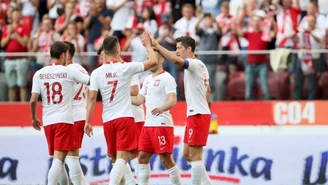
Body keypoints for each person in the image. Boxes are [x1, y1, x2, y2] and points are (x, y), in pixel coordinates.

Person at [84, 33, 158, 185]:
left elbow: (91, 98)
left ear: (104, 51)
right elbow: (153, 61)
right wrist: (148, 45)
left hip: (108, 119)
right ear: (118, 49)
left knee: (114, 157)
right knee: (122, 157)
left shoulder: (96, 73)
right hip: (124, 118)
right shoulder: (126, 68)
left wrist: (87, 121)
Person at [147, 32, 212, 185]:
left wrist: (156, 45)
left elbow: (175, 60)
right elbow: (208, 90)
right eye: (176, 48)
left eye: (179, 48)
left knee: (195, 156)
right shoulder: (200, 67)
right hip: (196, 113)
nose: (177, 51)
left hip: (198, 114)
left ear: (189, 49)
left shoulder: (195, 64)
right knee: (188, 155)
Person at [29, 41, 89, 185]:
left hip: (47, 120)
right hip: (65, 119)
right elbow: (91, 81)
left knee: (60, 160)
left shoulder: (39, 73)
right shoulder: (68, 71)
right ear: (63, 54)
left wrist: (33, 118)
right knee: (60, 160)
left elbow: (32, 101)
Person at [131, 49, 182, 185]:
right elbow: (138, 100)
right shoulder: (147, 80)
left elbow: (173, 100)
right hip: (148, 126)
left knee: (166, 160)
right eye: (148, 58)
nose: (149, 61)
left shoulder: (167, 78)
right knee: (142, 157)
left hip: (161, 125)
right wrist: (119, 96)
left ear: (160, 60)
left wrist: (162, 108)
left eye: (152, 58)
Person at [62, 41, 89, 185]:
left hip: (71, 116)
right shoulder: (82, 69)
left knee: (70, 157)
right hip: (81, 113)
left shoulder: (66, 71)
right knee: (67, 156)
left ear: (65, 54)